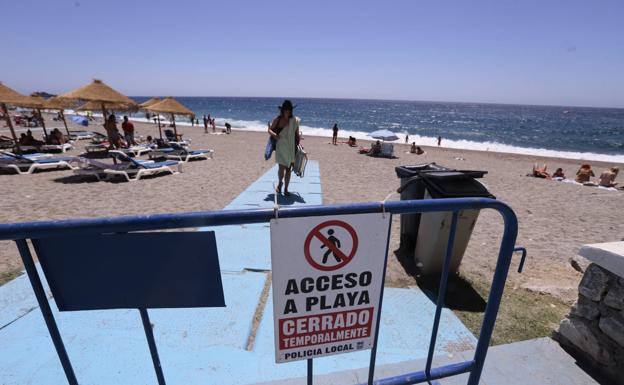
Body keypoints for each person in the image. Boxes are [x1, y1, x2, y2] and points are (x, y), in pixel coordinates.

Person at [268, 100, 299, 196]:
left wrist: (298, 145)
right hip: (281, 147)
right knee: (281, 168)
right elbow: (269, 130)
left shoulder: (294, 120)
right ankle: (280, 183)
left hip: (290, 147)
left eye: (289, 109)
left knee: (289, 169)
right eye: (285, 109)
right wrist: (274, 135)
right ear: (282, 110)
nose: (287, 111)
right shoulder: (278, 119)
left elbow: (296, 135)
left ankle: (286, 188)